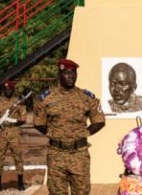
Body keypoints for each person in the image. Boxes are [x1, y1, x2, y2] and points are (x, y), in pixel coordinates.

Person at [34, 59, 106, 195]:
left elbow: (99, 120)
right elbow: (38, 123)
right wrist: (52, 133)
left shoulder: (86, 97)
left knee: (82, 192)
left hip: (79, 154)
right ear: (59, 74)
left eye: (73, 73)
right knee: (56, 192)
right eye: (67, 73)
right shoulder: (47, 98)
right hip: (56, 154)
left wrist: (85, 133)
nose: (71, 76)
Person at [0, 80, 27, 191]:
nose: (8, 91)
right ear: (3, 90)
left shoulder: (19, 103)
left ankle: (20, 182)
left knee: (18, 157)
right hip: (1, 134)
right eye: (6, 89)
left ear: (13, 90)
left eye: (10, 89)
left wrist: (12, 120)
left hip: (14, 133)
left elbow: (23, 119)